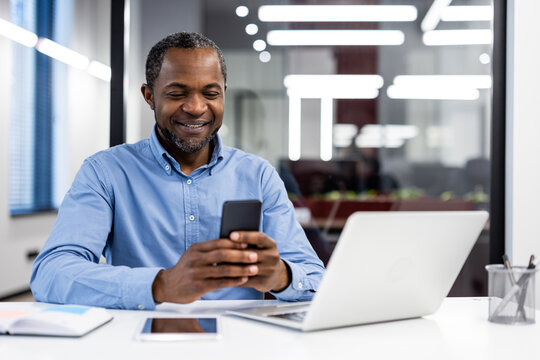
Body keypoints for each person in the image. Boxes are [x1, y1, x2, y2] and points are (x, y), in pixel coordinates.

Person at [30, 32, 325, 310]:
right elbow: (50, 274)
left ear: (223, 94)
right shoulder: (105, 172)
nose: (196, 107)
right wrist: (161, 285)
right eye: (176, 93)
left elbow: (315, 279)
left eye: (210, 93)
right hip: (140, 340)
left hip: (241, 342)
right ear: (149, 96)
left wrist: (281, 276)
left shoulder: (258, 176)